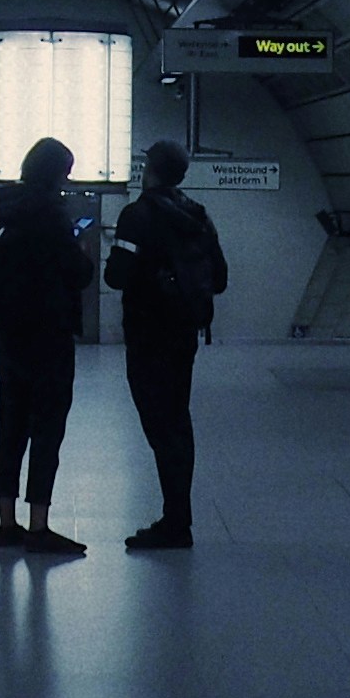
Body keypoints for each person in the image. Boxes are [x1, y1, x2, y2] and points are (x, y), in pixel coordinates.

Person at [103, 138, 228, 550]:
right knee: (178, 421)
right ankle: (179, 515)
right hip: (184, 334)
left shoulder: (136, 215)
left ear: (148, 170)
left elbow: (116, 276)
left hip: (146, 333)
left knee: (159, 427)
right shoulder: (198, 215)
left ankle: (175, 523)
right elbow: (220, 278)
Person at [0, 136, 90, 557]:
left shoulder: (5, 209)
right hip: (50, 336)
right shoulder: (53, 215)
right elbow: (79, 274)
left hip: (11, 336)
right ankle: (38, 527)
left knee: (11, 427)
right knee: (46, 431)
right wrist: (78, 246)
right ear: (56, 173)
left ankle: (7, 525)